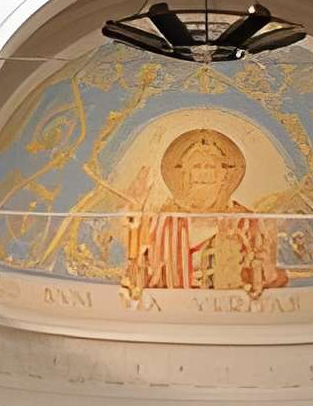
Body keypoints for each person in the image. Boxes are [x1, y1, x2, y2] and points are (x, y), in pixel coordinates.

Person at [118, 128, 288, 299]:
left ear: (224, 175)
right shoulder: (162, 223)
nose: (203, 174)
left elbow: (268, 279)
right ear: (183, 174)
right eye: (196, 167)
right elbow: (142, 275)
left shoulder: (247, 223)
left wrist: (267, 273)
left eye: (211, 167)